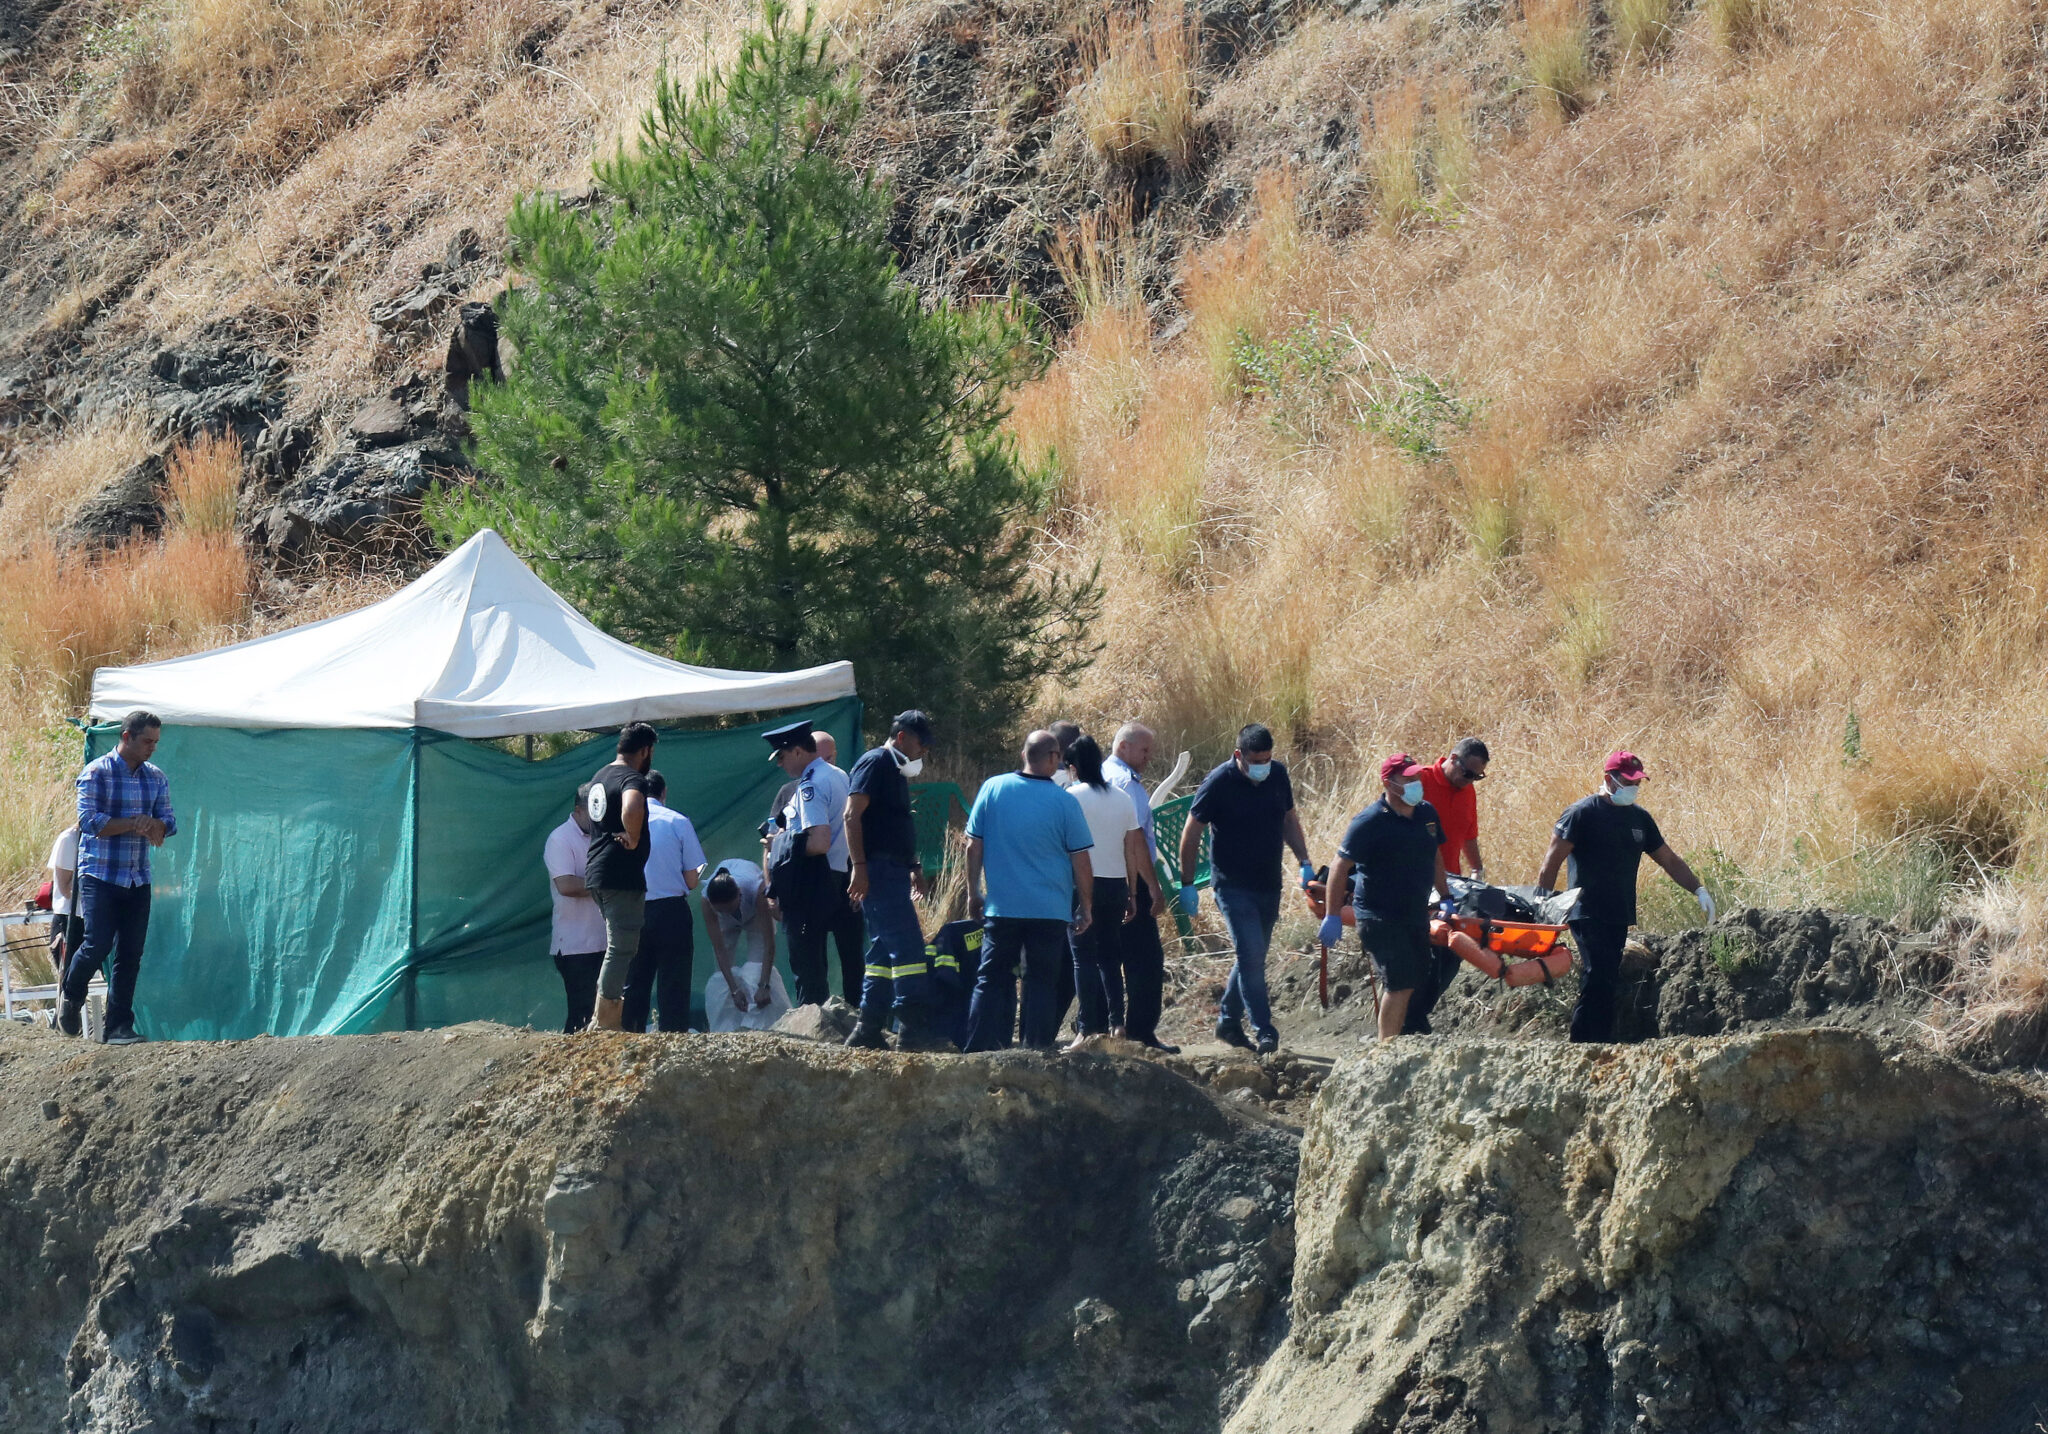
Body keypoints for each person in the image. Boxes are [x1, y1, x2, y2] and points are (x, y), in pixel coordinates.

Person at [1535, 751, 1715, 1043]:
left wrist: (1698, 889)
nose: (1634, 788)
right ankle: (1580, 1045)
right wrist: (1542, 906)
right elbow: (1551, 863)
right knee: (1597, 975)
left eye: (1638, 782)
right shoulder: (1582, 813)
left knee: (1607, 978)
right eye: (1628, 781)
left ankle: (1601, 1044)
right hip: (1585, 910)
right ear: (1609, 779)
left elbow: (1668, 860)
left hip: (1618, 913)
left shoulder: (1639, 819)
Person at [1178, 723, 1313, 1055]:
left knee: (1252, 955)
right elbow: (1191, 831)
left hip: (1269, 883)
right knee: (1251, 955)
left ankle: (1227, 1021)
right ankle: (1265, 1030)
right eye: (1256, 760)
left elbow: (1289, 820)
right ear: (1239, 755)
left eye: (1268, 758)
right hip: (1232, 885)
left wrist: (1304, 860)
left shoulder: (1277, 775)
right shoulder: (1219, 782)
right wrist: (1186, 883)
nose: (1263, 765)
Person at [962, 730, 1095, 1051]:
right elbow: (1081, 860)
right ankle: (1034, 1051)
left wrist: (972, 892)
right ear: (1052, 758)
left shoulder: (992, 788)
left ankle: (977, 1048)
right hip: (1049, 910)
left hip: (1002, 907)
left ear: (1024, 755)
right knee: (1040, 983)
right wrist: (1086, 906)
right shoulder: (1065, 802)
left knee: (990, 979)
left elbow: (972, 846)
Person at [59, 710, 176, 1045]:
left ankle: (118, 1027)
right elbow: (89, 821)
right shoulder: (96, 773)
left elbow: (169, 820)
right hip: (100, 873)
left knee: (130, 953)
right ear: (126, 737)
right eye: (146, 741)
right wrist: (133, 822)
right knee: (97, 943)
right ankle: (71, 992)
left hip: (138, 877)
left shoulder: (156, 777)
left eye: (156, 742)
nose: (152, 748)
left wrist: (157, 826)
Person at [1320, 754, 1451, 1041]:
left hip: (1414, 913)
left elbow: (1435, 856)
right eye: (1409, 779)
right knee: (1400, 982)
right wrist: (1332, 915)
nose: (1417, 784)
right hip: (1378, 916)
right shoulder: (1369, 822)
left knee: (1417, 977)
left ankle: (1403, 1036)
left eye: (1418, 777)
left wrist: (1446, 896)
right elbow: (1340, 867)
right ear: (1389, 784)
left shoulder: (1427, 813)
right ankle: (1385, 1049)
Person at [844, 710, 943, 1050]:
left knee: (884, 953)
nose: (924, 751)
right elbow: (850, 815)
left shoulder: (895, 771)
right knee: (909, 948)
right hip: (880, 871)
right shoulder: (876, 763)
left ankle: (867, 1029)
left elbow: (893, 826)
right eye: (921, 742)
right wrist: (859, 866)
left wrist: (913, 865)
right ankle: (912, 1032)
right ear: (902, 737)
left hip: (893, 869)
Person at [1062, 735, 1148, 1051]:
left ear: (1072, 767)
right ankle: (1117, 1024)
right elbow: (1132, 850)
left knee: (1082, 957)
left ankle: (1086, 1030)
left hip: (1082, 885)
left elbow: (1064, 848)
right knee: (1111, 958)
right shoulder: (1122, 798)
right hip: (1115, 885)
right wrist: (1133, 892)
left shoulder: (1071, 797)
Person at [764, 721, 851, 1007]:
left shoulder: (809, 785)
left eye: (782, 756)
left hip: (812, 881)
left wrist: (779, 842)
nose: (780, 764)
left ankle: (813, 1035)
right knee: (836, 960)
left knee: (807, 966)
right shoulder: (839, 775)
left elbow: (818, 842)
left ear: (799, 751)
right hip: (840, 875)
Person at [1407, 737, 1490, 1033]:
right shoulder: (1420, 781)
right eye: (1467, 773)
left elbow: (1469, 835)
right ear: (1453, 759)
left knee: (1452, 956)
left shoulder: (1467, 792)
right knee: (1418, 956)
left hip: (1449, 888)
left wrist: (1477, 868)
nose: (1470, 781)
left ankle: (1415, 1016)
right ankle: (1408, 1021)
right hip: (1413, 884)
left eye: (1477, 777)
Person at [1105, 722, 1175, 1052]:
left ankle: (1105, 1027)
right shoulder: (1126, 785)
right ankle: (1141, 1034)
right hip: (1129, 881)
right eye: (1144, 750)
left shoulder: (1101, 774)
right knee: (1145, 960)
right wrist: (1153, 886)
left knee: (1105, 957)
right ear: (1124, 747)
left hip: (1103, 880)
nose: (1149, 757)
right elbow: (1135, 843)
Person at [585, 721, 658, 1032]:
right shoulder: (632, 778)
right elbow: (632, 805)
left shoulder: (600, 775)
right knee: (621, 947)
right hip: (620, 876)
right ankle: (604, 1023)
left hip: (598, 872)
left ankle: (602, 1018)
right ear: (644, 750)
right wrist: (634, 836)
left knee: (619, 945)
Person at [623, 770, 706, 1033]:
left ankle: (629, 1040)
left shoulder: (621, 823)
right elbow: (692, 880)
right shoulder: (677, 821)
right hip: (671, 910)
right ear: (664, 792)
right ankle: (673, 1042)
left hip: (632, 909)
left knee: (634, 982)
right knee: (674, 983)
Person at [809, 730, 868, 1007]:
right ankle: (817, 1015)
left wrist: (861, 872)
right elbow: (774, 840)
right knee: (813, 953)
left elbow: (863, 827)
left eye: (829, 756)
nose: (824, 762)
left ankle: (858, 1014)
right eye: (819, 757)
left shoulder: (850, 784)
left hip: (848, 877)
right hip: (817, 880)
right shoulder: (796, 790)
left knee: (852, 952)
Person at [699, 859, 791, 1031]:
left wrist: (764, 985)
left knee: (755, 971)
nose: (728, 914)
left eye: (731, 909)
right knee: (722, 980)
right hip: (725, 923)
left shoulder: (758, 891)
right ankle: (726, 1030)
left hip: (755, 915)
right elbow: (719, 950)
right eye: (722, 911)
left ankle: (773, 1025)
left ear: (740, 894)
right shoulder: (707, 902)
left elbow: (769, 944)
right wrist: (734, 990)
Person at [543, 785, 607, 1032]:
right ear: (579, 810)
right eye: (594, 811)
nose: (600, 816)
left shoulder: (603, 835)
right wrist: (608, 885)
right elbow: (566, 885)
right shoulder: (560, 839)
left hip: (605, 943)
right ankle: (568, 1065)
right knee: (582, 1016)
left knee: (604, 1017)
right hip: (575, 946)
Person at [45, 823, 82, 982]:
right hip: (69, 920)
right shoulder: (69, 839)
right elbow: (66, 889)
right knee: (70, 984)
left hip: (94, 919)